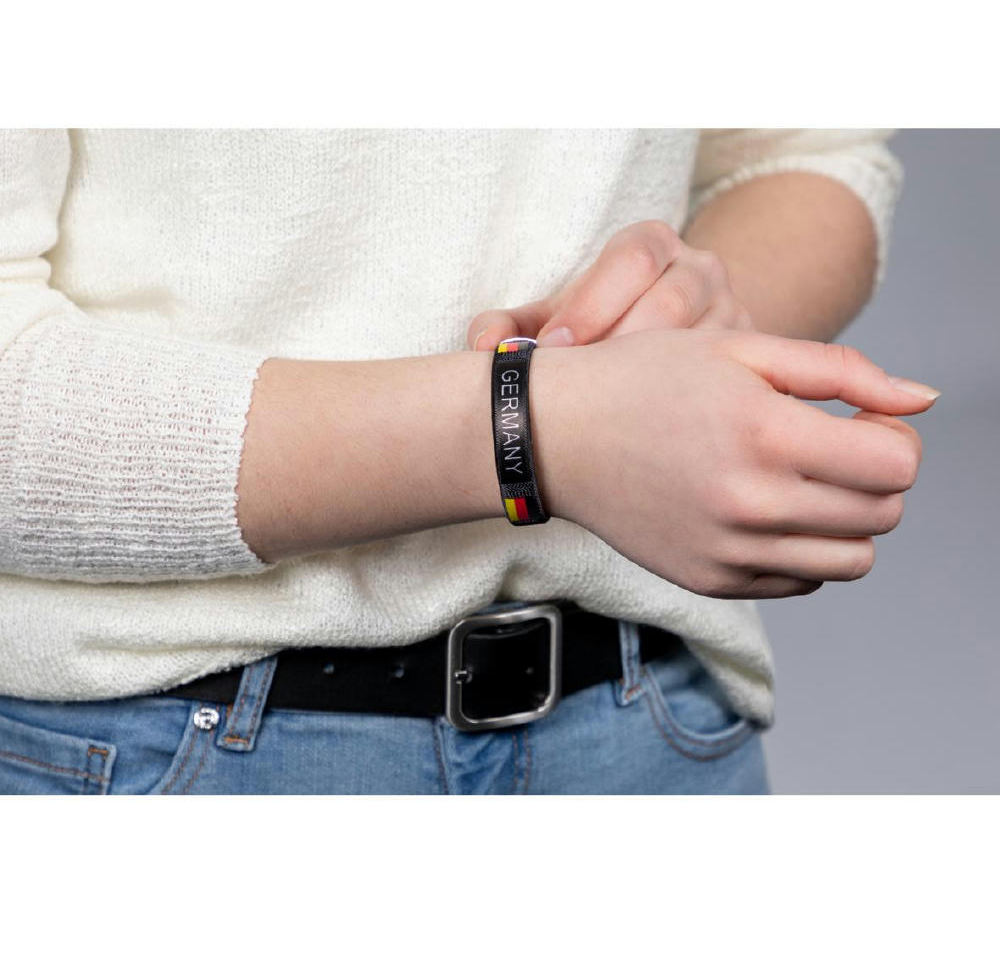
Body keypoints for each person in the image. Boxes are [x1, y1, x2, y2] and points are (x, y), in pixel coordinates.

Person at [0, 129, 937, 795]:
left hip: (648, 722)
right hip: (170, 744)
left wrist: (694, 322)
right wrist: (543, 428)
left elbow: (811, 155)